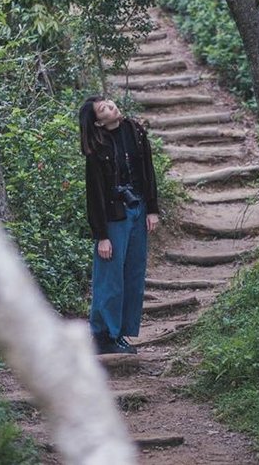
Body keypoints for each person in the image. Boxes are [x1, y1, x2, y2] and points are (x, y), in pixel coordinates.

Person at [78, 95, 160, 355]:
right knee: (109, 277)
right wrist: (101, 235)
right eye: (105, 108)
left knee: (133, 274)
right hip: (114, 216)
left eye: (110, 103)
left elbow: (148, 170)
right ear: (99, 122)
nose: (112, 107)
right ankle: (102, 336)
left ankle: (120, 334)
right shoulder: (97, 148)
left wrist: (153, 209)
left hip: (138, 210)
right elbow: (95, 194)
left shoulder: (135, 131)